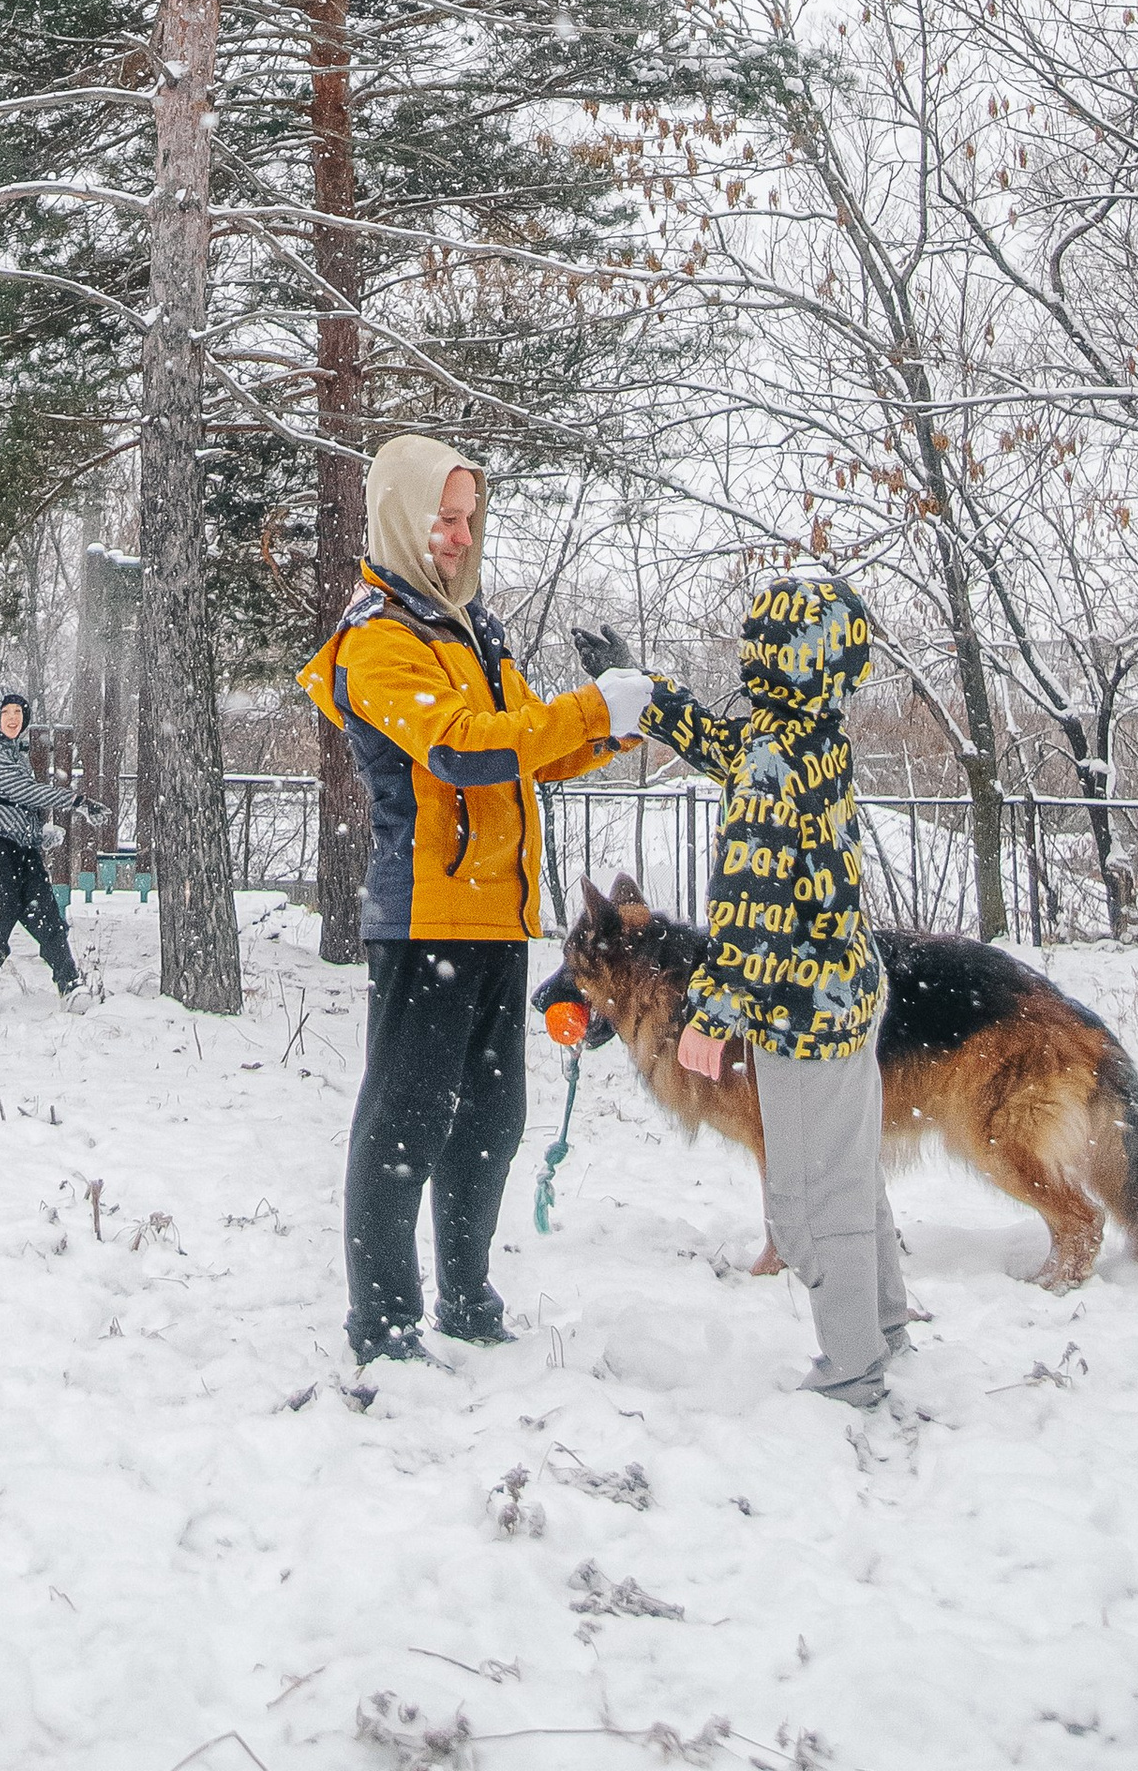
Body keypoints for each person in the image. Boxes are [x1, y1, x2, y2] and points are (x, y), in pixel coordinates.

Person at [300, 434, 644, 1364]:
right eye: (441, 520)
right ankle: (383, 1326)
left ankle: (467, 1297)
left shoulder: (470, 631)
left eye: (467, 520)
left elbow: (531, 751)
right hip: (426, 918)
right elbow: (461, 747)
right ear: (398, 519)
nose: (458, 537)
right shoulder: (377, 639)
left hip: (499, 914)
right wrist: (588, 709)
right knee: (405, 1123)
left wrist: (614, 719)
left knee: (491, 1121)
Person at [630, 576, 910, 1409]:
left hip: (800, 1014)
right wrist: (648, 694)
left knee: (807, 1203)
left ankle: (852, 1370)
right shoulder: (812, 736)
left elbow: (749, 908)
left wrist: (709, 1017)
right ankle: (883, 1326)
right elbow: (731, 745)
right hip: (849, 990)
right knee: (851, 1175)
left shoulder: (771, 770)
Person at [0, 691, 84, 1012]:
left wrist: (38, 833)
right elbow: (23, 792)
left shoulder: (17, 756)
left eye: (18, 712)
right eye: (6, 713)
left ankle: (70, 984)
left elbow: (16, 807)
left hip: (24, 851)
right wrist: (74, 800)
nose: (13, 719)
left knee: (47, 917)